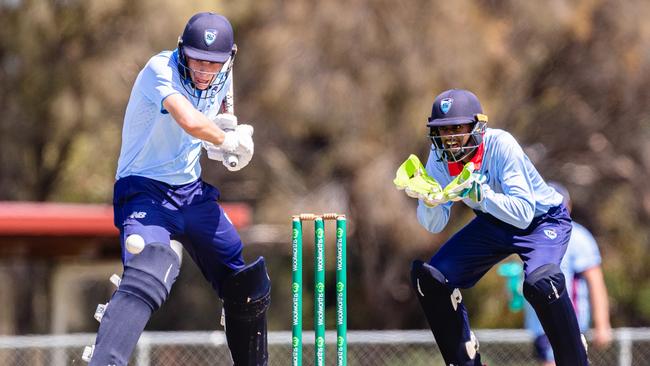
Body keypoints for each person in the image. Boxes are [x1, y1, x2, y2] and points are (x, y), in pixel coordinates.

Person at [86, 12, 270, 366]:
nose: (204, 71)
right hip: (144, 191)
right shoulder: (161, 70)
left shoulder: (220, 75)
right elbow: (186, 119)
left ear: (228, 58)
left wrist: (217, 143)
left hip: (191, 193)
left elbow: (202, 128)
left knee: (247, 285)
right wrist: (226, 139)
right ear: (182, 52)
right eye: (197, 60)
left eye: (214, 64)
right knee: (152, 267)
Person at [404, 89, 589, 365]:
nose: (451, 139)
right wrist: (429, 202)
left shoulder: (501, 145)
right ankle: (465, 361)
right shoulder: (439, 156)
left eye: (457, 128)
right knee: (431, 279)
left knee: (541, 282)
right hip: (493, 222)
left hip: (542, 221)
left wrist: (485, 196)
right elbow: (435, 225)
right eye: (443, 131)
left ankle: (574, 356)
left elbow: (524, 214)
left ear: (476, 127)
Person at [524, 182, 612, 366]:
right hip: (540, 326)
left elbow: (595, 280)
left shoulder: (578, 237)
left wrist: (602, 323)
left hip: (567, 321)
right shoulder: (532, 235)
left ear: (568, 206)